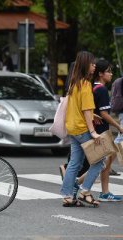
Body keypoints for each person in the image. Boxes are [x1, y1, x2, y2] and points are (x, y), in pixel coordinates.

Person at [60, 51, 105, 207]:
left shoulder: (74, 82)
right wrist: (93, 131)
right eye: (92, 64)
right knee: (100, 160)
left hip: (72, 128)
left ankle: (67, 196)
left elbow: (78, 107)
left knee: (74, 163)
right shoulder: (85, 84)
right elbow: (86, 109)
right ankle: (84, 191)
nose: (94, 67)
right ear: (86, 65)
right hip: (83, 129)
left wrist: (93, 114)